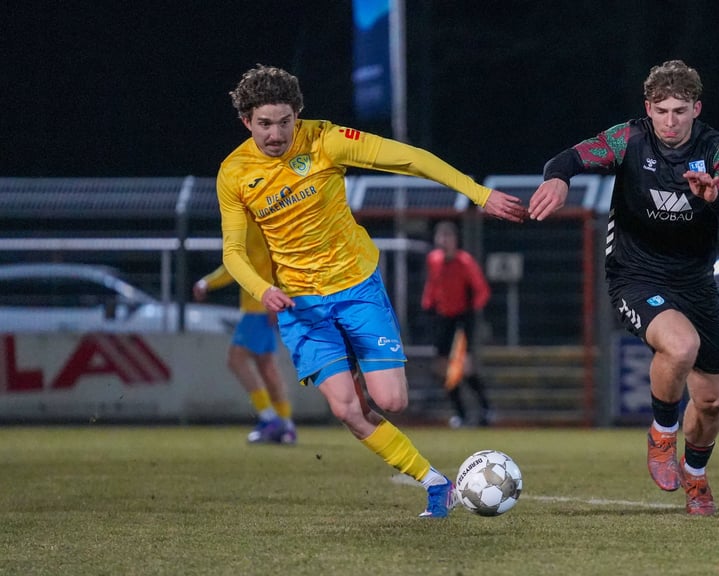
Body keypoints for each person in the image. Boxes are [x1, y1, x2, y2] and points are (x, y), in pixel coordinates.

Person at [216, 64, 527, 518]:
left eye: (285, 121)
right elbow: (232, 252)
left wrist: (477, 194)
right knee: (347, 410)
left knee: (392, 401)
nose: (277, 133)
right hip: (301, 304)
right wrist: (263, 289)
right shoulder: (235, 173)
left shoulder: (325, 140)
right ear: (246, 121)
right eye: (264, 123)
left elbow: (411, 158)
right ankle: (434, 482)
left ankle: (358, 372)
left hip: (355, 287)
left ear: (298, 115)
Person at [528, 60, 719, 515]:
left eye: (680, 110)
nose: (670, 121)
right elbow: (568, 158)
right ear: (647, 108)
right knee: (680, 345)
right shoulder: (629, 138)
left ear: (696, 108)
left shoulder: (718, 149)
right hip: (636, 277)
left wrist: (715, 199)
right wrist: (557, 177)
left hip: (695, 284)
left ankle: (695, 477)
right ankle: (661, 433)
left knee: (712, 402)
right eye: (661, 110)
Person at [193, 221, 297, 445]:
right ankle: (286, 426)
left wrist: (278, 296)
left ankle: (269, 419)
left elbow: (279, 260)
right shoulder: (253, 219)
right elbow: (238, 266)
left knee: (236, 359)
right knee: (267, 368)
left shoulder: (256, 221)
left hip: (259, 306)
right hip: (260, 305)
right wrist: (208, 283)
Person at [421, 220, 494, 428]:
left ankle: (486, 409)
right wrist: (428, 304)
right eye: (440, 237)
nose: (444, 242)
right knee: (443, 369)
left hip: (463, 318)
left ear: (455, 240)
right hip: (443, 319)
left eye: (448, 237)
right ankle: (460, 414)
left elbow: (482, 291)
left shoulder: (465, 262)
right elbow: (433, 285)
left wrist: (473, 311)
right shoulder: (433, 260)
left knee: (466, 367)